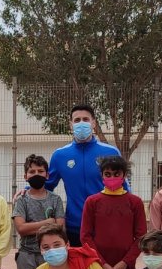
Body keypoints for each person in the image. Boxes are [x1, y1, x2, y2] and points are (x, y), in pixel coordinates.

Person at [45, 104, 123, 246]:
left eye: (86, 119)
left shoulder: (111, 152)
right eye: (77, 120)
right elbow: (46, 185)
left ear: (93, 123)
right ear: (71, 125)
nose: (81, 123)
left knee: (105, 268)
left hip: (105, 224)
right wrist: (26, 190)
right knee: (78, 267)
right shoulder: (60, 155)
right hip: (75, 227)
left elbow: (123, 188)